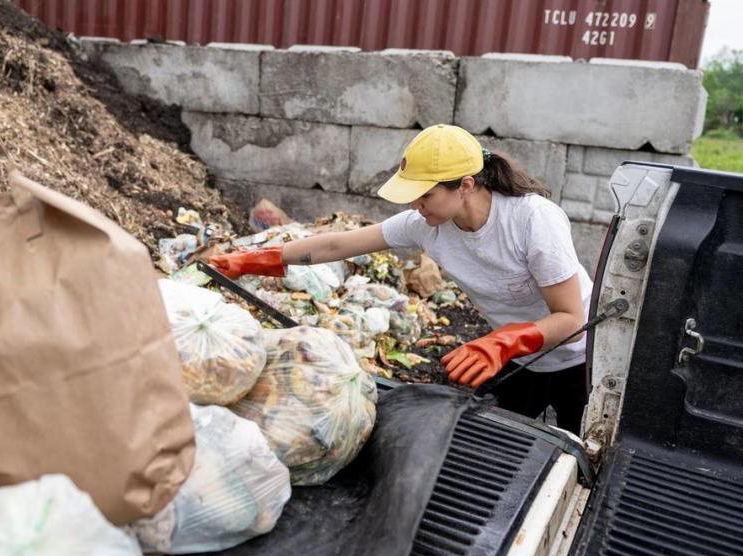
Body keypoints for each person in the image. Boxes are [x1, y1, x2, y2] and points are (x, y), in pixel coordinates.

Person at [209, 124, 592, 431]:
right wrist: (261, 259)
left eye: (423, 195)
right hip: (516, 358)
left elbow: (571, 319)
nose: (415, 205)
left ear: (465, 185)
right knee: (500, 447)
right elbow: (336, 246)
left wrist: (506, 340)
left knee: (583, 457)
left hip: (583, 362)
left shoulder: (531, 220)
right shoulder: (428, 225)